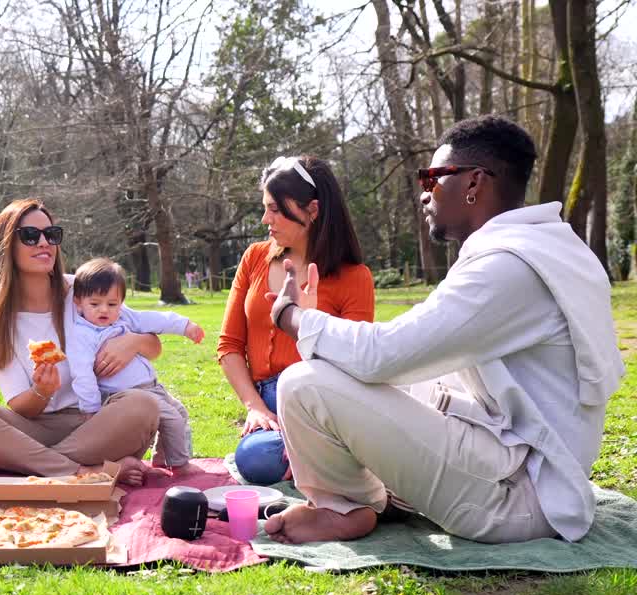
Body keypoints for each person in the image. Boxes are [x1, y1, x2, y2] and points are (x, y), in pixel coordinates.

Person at [264, 115, 625, 545]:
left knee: (305, 384)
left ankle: (343, 507)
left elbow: (384, 355)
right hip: (518, 463)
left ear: (474, 183)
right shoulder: (545, 249)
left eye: (433, 177)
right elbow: (409, 354)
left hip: (518, 500)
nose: (424, 193)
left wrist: (292, 316)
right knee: (369, 371)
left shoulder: (508, 267)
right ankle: (374, 498)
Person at [0, 199, 163, 483]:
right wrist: (42, 391)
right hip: (37, 427)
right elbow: (21, 406)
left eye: (52, 234)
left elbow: (154, 347)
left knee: (142, 404)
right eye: (31, 236)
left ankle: (27, 467)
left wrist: (133, 342)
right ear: (6, 245)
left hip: (99, 422)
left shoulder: (82, 290)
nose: (44, 242)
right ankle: (86, 473)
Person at [217, 156, 375, 485]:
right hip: (266, 401)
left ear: (312, 211)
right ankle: (323, 462)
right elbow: (229, 345)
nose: (265, 219)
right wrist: (256, 408)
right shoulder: (254, 258)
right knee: (255, 457)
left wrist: (308, 433)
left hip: (320, 403)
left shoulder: (354, 277)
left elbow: (356, 368)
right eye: (265, 207)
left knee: (260, 457)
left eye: (275, 209)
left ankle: (324, 453)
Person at [67, 258, 205, 476]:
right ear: (78, 302)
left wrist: (184, 326)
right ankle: (180, 464)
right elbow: (81, 374)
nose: (104, 310)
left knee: (179, 412)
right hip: (125, 395)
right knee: (172, 418)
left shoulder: (122, 318)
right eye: (95, 304)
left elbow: (152, 319)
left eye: (112, 304)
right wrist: (91, 409)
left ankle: (162, 459)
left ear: (121, 302)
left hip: (151, 386)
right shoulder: (81, 335)